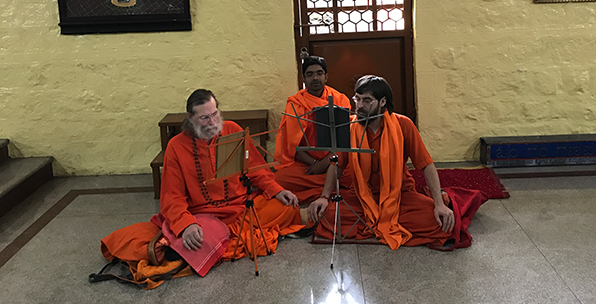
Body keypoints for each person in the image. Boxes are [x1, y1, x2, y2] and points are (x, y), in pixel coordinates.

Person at [100, 89, 304, 284]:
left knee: (286, 206)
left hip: (241, 208)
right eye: (204, 118)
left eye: (215, 114)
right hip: (204, 216)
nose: (212, 122)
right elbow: (172, 196)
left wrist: (277, 190)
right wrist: (187, 225)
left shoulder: (233, 130)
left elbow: (256, 170)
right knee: (197, 238)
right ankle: (197, 242)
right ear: (190, 118)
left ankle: (203, 244)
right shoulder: (176, 146)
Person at [307, 75, 487, 250]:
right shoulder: (349, 127)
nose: (359, 106)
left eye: (367, 100)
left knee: (435, 220)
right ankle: (383, 224)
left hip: (400, 194)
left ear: (382, 102)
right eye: (357, 99)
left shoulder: (403, 125)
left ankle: (374, 225)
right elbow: (336, 165)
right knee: (327, 215)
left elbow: (426, 164)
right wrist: (324, 197)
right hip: (362, 196)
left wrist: (439, 203)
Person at [273, 56, 352, 203]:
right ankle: (331, 188)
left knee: (355, 174)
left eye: (319, 73)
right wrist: (315, 164)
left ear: (326, 76)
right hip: (306, 164)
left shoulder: (340, 100)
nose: (315, 78)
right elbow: (292, 146)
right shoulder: (295, 103)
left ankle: (323, 188)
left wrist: (326, 162)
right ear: (304, 78)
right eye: (310, 74)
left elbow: (345, 141)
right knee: (277, 180)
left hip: (336, 161)